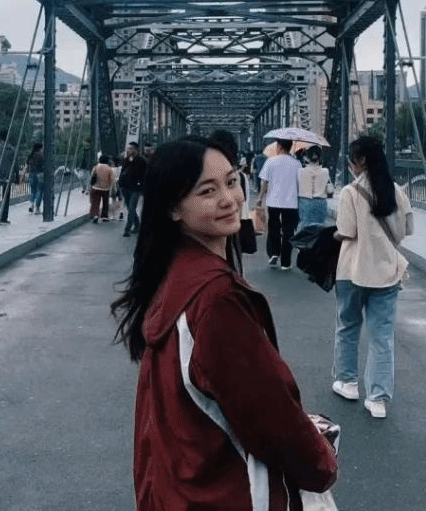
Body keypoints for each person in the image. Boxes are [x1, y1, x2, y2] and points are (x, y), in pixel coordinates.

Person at [110, 136, 338, 509]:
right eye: (207, 191)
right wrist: (322, 463)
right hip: (232, 493)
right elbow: (271, 415)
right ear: (174, 209)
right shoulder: (217, 299)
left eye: (231, 182)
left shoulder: (171, 275)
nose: (229, 199)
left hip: (181, 488)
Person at [331, 135, 412, 419]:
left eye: (352, 159)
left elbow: (347, 231)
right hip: (386, 272)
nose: (350, 165)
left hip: (351, 271)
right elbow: (406, 230)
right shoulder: (396, 191)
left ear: (361, 161)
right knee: (382, 337)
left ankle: (348, 382)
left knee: (348, 326)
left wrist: (334, 235)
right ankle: (378, 398)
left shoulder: (350, 192)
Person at [256, 139, 301, 270]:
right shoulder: (297, 164)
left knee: (274, 228)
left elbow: (264, 182)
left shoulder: (271, 161)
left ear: (280, 146)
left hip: (273, 201)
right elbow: (300, 183)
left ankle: (273, 253)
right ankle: (286, 262)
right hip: (291, 202)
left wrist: (260, 198)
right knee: (288, 231)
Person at [297, 145, 331, 232]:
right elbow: (330, 190)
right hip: (320, 201)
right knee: (320, 229)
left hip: (305, 201)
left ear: (307, 157)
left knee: (305, 228)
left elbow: (298, 187)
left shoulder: (301, 171)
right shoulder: (325, 171)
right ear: (320, 157)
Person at [118, 141, 146, 237]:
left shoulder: (142, 161)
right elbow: (122, 173)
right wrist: (120, 184)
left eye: (130, 148)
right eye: (128, 148)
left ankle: (127, 229)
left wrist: (142, 187)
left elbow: (144, 176)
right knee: (130, 209)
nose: (128, 150)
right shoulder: (126, 160)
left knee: (131, 208)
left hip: (135, 189)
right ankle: (137, 225)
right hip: (125, 188)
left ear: (136, 150)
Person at [89, 154, 115, 223]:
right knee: (105, 203)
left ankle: (95, 216)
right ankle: (104, 216)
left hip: (95, 188)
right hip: (105, 189)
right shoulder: (109, 169)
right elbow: (111, 179)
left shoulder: (95, 167)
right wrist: (110, 187)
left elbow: (92, 176)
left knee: (95, 203)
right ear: (107, 160)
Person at [26, 142, 44, 214]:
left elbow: (27, 164)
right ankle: (37, 208)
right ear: (40, 148)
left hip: (31, 174)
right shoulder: (41, 155)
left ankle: (31, 204)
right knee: (39, 190)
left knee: (33, 191)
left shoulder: (31, 155)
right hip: (39, 174)